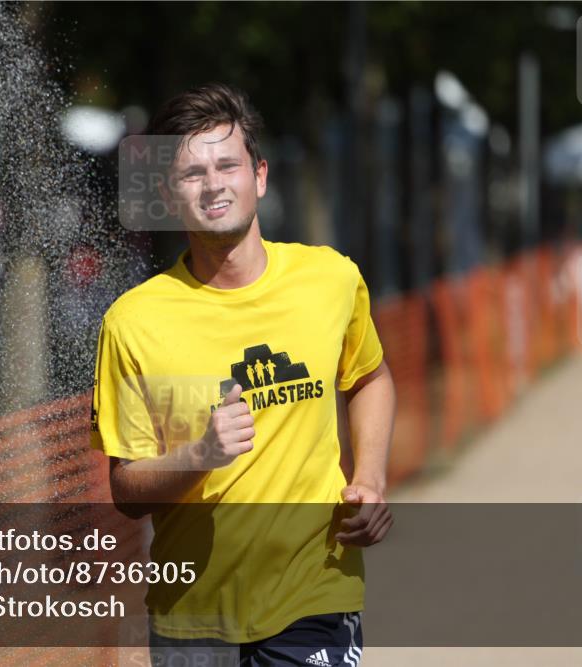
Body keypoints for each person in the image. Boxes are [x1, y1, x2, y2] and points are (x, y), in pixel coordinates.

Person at [90, 83, 396, 667]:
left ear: (258, 175)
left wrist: (372, 478)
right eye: (191, 173)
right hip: (193, 618)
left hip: (314, 592)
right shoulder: (132, 323)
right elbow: (125, 488)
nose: (213, 185)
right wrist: (200, 453)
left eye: (226, 164)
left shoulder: (330, 279)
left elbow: (370, 378)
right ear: (166, 194)